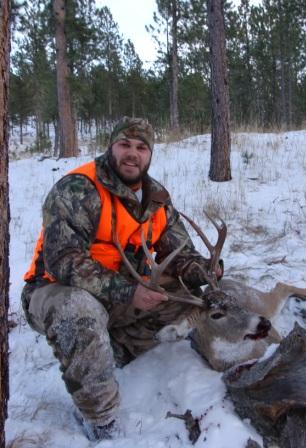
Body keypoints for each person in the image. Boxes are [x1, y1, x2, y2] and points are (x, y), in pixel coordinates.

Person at [21, 117, 222, 441]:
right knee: (80, 311)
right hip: (55, 291)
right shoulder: (77, 188)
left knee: (189, 299)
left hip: (122, 293)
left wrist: (208, 270)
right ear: (110, 147)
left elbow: (181, 254)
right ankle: (101, 418)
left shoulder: (156, 199)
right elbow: (64, 261)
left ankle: (107, 354)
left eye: (141, 147)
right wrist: (129, 292)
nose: (133, 154)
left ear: (150, 154)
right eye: (125, 145)